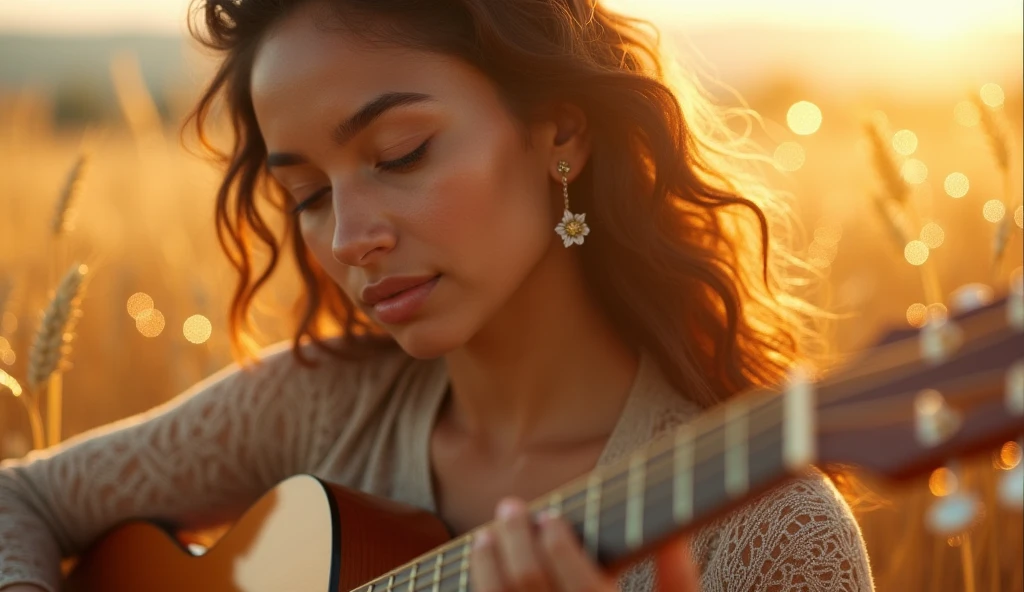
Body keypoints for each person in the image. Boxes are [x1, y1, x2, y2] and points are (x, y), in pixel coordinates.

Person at [0, 0, 875, 590]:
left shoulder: (769, 532)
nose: (347, 239)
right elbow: (21, 497)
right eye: (307, 195)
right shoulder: (316, 409)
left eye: (400, 153)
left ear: (560, 132)